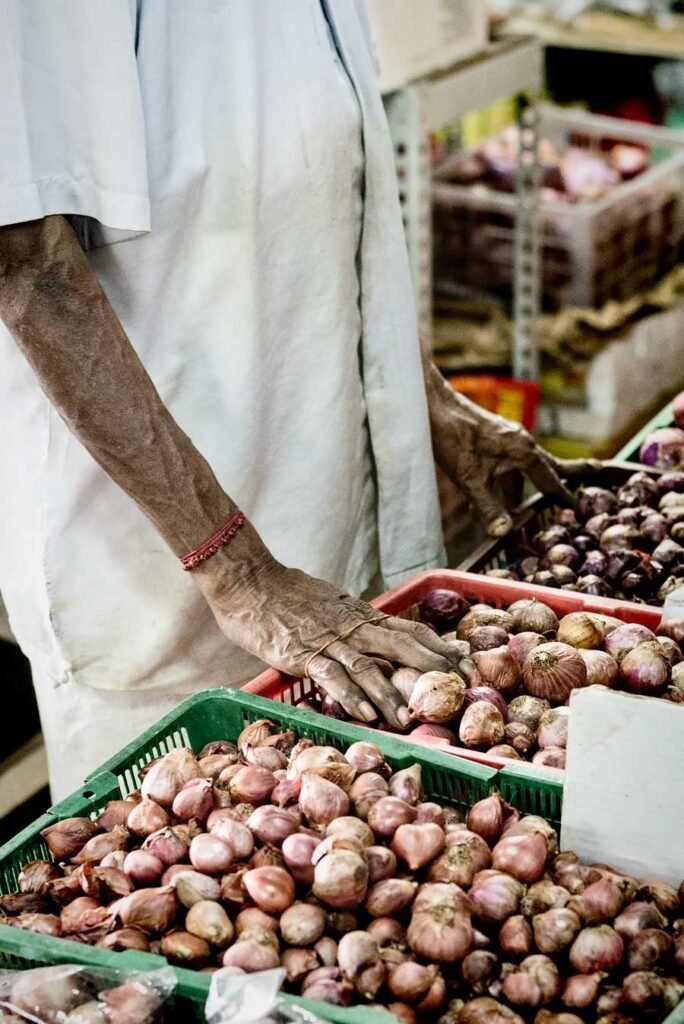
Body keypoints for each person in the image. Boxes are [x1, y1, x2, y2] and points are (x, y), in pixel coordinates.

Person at [0, 0, 587, 800]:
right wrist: (238, 571)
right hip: (168, 582)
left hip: (321, 555)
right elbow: (29, 269)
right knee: (188, 869)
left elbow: (327, 185)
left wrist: (425, 395)